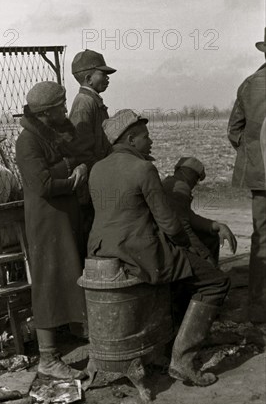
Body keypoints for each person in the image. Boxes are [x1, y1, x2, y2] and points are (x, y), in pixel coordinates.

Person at [88, 110, 230, 386]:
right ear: (131, 138)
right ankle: (183, 362)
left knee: (185, 272)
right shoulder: (143, 168)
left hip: (101, 250)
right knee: (216, 281)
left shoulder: (97, 168)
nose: (150, 142)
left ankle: (170, 340)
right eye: (146, 136)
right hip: (137, 253)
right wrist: (196, 251)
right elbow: (170, 224)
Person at [15, 81, 88, 380]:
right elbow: (41, 184)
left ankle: (78, 333)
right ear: (47, 112)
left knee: (70, 274)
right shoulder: (28, 142)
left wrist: (73, 166)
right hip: (46, 221)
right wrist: (73, 173)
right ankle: (47, 358)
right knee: (47, 281)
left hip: (63, 217)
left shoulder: (55, 133)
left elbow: (70, 159)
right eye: (60, 105)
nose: (64, 108)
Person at [228, 28, 266, 324]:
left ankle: (257, 308)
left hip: (261, 175)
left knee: (262, 238)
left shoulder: (249, 84)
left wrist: (255, 153)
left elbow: (234, 131)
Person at [69, 49, 116, 237]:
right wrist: (101, 172)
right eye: (103, 74)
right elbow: (81, 150)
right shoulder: (84, 103)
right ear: (88, 78)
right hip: (90, 185)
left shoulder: (91, 101)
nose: (107, 78)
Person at [162, 157, 237, 267]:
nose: (196, 183)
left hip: (167, 236)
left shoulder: (169, 182)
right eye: (196, 178)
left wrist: (215, 225)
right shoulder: (180, 187)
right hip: (170, 241)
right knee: (211, 241)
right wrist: (205, 256)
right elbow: (184, 227)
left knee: (210, 235)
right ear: (189, 175)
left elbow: (187, 215)